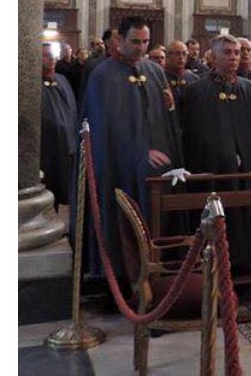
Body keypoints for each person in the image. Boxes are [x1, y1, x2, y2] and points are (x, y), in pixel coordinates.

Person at [77, 17, 181, 284]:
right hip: (118, 166)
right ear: (120, 40)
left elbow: (162, 118)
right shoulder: (103, 75)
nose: (141, 47)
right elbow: (104, 127)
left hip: (153, 169)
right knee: (121, 224)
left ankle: (153, 275)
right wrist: (139, 151)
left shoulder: (155, 71)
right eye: (135, 41)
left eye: (145, 42)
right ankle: (122, 279)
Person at [177, 34, 251, 266]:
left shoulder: (249, 88)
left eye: (237, 53)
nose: (234, 57)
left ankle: (243, 261)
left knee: (242, 215)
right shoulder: (196, 90)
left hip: (244, 168)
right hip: (211, 170)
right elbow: (192, 135)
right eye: (227, 53)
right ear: (213, 57)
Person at [40, 45, 79, 209]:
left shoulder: (62, 80)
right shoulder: (30, 84)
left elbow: (72, 111)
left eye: (53, 55)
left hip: (67, 146)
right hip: (46, 150)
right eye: (46, 56)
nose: (51, 59)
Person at [78, 28, 117, 107]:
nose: (121, 41)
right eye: (117, 38)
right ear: (107, 42)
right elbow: (85, 91)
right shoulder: (93, 65)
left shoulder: (127, 63)